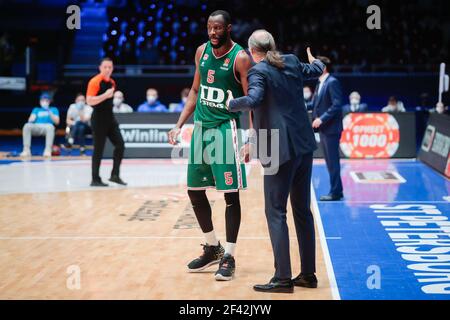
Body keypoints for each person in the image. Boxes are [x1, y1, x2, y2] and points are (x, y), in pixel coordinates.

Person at [227, 30, 324, 293]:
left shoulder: (258, 71)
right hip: (304, 146)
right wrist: (318, 61)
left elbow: (255, 99)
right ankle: (307, 275)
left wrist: (231, 103)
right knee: (302, 211)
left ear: (250, 50)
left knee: (275, 212)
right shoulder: (291, 61)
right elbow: (316, 68)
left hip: (277, 149)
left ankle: (282, 278)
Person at [167, 10, 252, 281]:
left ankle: (229, 255)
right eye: (209, 28)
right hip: (201, 130)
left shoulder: (240, 58)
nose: (213, 33)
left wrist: (250, 138)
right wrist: (179, 123)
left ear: (228, 28)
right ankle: (212, 246)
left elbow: (252, 100)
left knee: (230, 195)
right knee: (194, 191)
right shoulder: (201, 51)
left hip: (225, 130)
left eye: (218, 28)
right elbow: (195, 90)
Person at [86, 57, 127, 187]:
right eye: (105, 67)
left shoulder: (112, 82)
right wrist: (105, 95)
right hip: (98, 120)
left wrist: (109, 95)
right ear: (100, 68)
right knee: (98, 150)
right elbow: (89, 101)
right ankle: (95, 179)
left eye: (110, 67)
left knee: (120, 144)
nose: (108, 69)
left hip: (110, 119)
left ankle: (115, 175)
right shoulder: (95, 82)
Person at [312, 56, 344, 201]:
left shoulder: (332, 82)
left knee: (333, 161)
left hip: (331, 129)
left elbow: (336, 105)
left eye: (316, 65)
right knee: (330, 161)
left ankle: (335, 192)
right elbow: (314, 104)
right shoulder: (320, 83)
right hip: (325, 129)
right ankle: (338, 190)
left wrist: (321, 119)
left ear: (323, 67)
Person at [20, 92, 60, 157]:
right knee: (26, 126)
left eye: (46, 100)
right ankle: (26, 150)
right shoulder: (36, 109)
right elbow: (30, 120)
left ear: (49, 101)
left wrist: (49, 112)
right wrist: (32, 118)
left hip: (47, 127)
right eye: (43, 100)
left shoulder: (54, 109)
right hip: (36, 126)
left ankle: (47, 150)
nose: (44, 102)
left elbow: (57, 122)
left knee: (50, 127)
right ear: (40, 101)